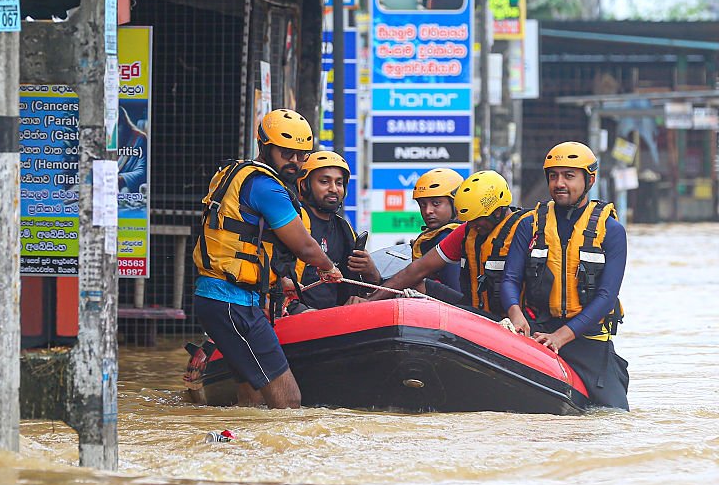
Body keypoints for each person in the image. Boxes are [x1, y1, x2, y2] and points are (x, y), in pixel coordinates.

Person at [192, 108, 343, 408]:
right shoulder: (266, 186)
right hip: (234, 304)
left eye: (302, 154)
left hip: (218, 301)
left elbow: (259, 244)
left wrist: (282, 279)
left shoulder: (238, 175)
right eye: (287, 153)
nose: (296, 162)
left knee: (252, 394)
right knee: (288, 400)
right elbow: (304, 246)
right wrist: (330, 268)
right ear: (264, 146)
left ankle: (245, 451)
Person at [501, 142, 629, 410]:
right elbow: (510, 279)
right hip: (536, 332)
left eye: (569, 176)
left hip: (588, 340)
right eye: (553, 175)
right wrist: (515, 314)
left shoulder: (611, 231)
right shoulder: (530, 225)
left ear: (589, 179)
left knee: (615, 413)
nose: (559, 183)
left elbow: (606, 297)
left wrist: (561, 337)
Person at [352, 170, 531, 320]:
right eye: (470, 220)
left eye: (478, 220)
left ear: (498, 211)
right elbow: (417, 270)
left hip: (513, 318)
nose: (473, 225)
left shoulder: (526, 230)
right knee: (415, 284)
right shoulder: (468, 230)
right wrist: (371, 301)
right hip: (477, 310)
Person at [290, 151, 380, 310]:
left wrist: (370, 272)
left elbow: (363, 286)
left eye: (339, 183)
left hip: (334, 320)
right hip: (293, 316)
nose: (334, 189)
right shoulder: (293, 220)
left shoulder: (344, 228)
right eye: (324, 182)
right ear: (304, 185)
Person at [410, 168, 464, 292]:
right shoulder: (432, 237)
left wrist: (423, 287)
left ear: (456, 204)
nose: (427, 211)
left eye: (436, 203)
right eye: (423, 204)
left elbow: (456, 294)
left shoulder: (447, 237)